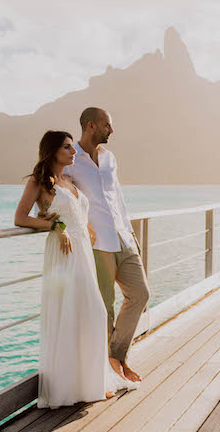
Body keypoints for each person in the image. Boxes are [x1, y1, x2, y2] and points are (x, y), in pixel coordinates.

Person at [14, 130, 137, 408]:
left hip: (83, 251)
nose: (73, 152)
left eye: (72, 147)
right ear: (53, 151)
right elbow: (20, 217)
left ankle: (92, 382)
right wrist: (55, 226)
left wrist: (88, 227)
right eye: (67, 148)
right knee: (72, 313)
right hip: (63, 253)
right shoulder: (39, 182)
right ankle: (72, 388)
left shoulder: (69, 180)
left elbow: (79, 212)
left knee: (91, 313)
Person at [64, 107, 149, 383]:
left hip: (123, 236)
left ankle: (115, 355)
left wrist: (132, 234)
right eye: (107, 126)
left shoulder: (110, 159)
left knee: (141, 294)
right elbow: (59, 198)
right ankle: (109, 369)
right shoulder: (70, 162)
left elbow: (118, 198)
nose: (111, 130)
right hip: (97, 241)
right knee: (105, 306)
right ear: (91, 126)